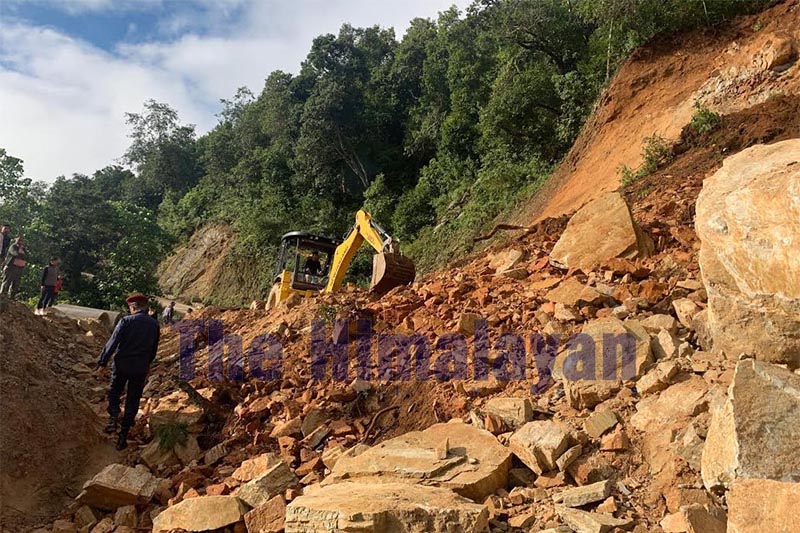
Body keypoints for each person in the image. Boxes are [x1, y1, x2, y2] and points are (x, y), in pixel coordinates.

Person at [95, 293, 160, 450]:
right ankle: (123, 435)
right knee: (133, 397)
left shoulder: (126, 321)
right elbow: (153, 348)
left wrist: (102, 362)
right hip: (140, 366)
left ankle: (112, 421)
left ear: (133, 307)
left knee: (115, 391)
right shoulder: (154, 324)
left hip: (122, 364)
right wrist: (148, 363)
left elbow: (113, 342)